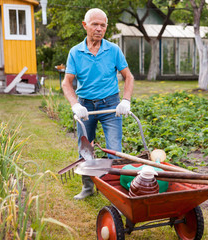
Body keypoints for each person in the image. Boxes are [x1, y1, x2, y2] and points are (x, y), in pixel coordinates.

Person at [62, 8, 134, 200]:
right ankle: (88, 188)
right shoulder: (76, 52)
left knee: (114, 149)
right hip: (85, 106)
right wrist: (75, 105)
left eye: (103, 25)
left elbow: (128, 77)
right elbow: (66, 82)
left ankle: (116, 189)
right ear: (85, 25)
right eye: (95, 24)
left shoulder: (113, 50)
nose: (99, 29)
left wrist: (125, 100)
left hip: (110, 104)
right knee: (85, 147)